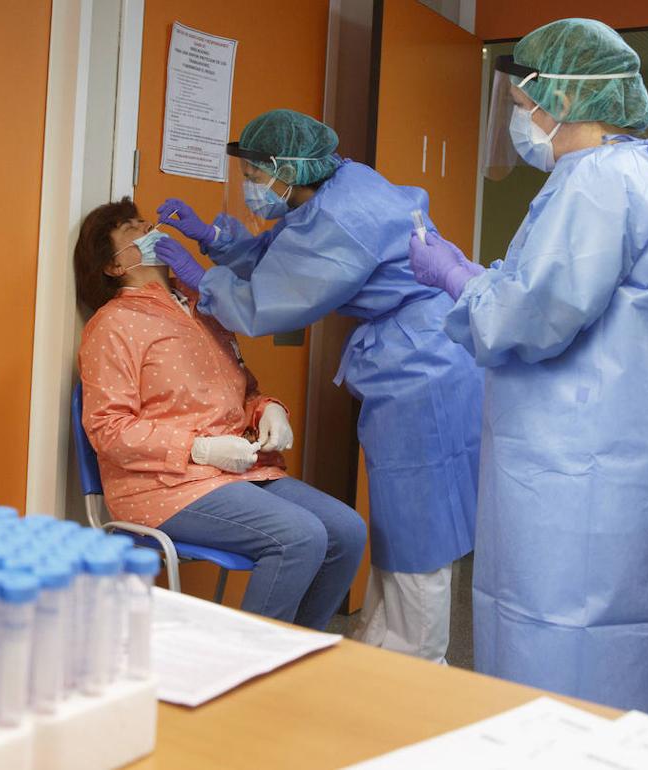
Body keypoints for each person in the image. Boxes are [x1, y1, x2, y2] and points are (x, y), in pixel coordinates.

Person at [406, 19, 648, 724]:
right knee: (628, 632)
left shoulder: (597, 180)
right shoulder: (642, 171)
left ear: (564, 95)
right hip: (618, 456)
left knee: (559, 633)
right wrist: (483, 280)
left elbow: (533, 315)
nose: (526, 122)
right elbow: (557, 289)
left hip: (577, 468)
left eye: (528, 106)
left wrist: (459, 282)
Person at [149, 109, 483, 662]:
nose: (251, 187)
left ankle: (419, 665)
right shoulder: (338, 183)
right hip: (422, 349)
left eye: (256, 176)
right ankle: (386, 645)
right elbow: (289, 247)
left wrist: (202, 277)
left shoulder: (343, 222)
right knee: (402, 521)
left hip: (423, 366)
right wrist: (215, 239)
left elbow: (268, 300)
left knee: (419, 527)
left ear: (288, 168)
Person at [74, 197, 366, 630]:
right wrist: (201, 449)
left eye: (145, 221)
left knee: (348, 531)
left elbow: (244, 389)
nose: (149, 229)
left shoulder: (202, 308)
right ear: (113, 266)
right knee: (300, 537)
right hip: (161, 485)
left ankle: (293, 652)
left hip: (238, 473)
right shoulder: (113, 324)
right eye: (133, 230)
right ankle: (248, 665)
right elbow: (108, 429)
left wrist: (270, 411)